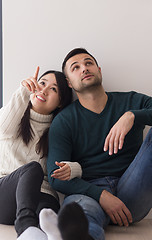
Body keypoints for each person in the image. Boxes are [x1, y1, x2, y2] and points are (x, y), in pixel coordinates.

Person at [47, 48, 152, 240]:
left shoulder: (130, 101)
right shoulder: (64, 121)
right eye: (75, 67)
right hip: (89, 194)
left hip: (132, 191)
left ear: (99, 70)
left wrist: (132, 116)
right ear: (69, 83)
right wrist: (101, 195)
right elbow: (55, 177)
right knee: (82, 219)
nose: (84, 68)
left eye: (88, 63)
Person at [0, 67, 81, 240]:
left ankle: (47, 233)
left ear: (60, 102)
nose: (43, 90)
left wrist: (73, 169)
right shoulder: (15, 114)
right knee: (32, 169)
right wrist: (23, 91)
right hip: (1, 198)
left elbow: (76, 162)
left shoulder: (59, 130)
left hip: (39, 198)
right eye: (42, 83)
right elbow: (2, 127)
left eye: (53, 89)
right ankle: (26, 228)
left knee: (49, 207)